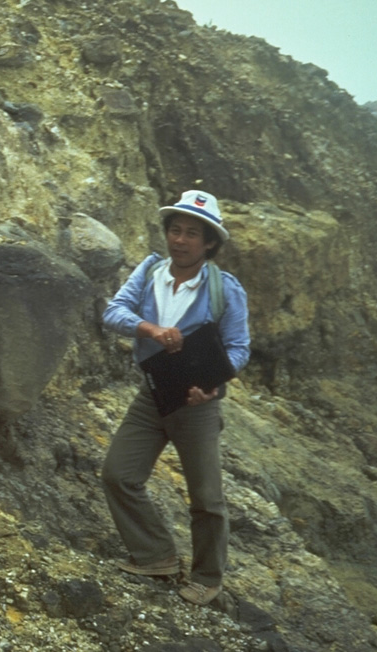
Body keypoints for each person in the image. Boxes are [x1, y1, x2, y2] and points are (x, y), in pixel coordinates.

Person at [100, 190, 250, 606]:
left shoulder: (226, 290)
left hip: (197, 404)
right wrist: (149, 329)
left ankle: (207, 576)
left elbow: (239, 348)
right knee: (118, 474)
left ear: (209, 244)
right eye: (175, 230)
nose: (180, 240)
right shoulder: (149, 271)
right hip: (151, 397)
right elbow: (113, 312)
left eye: (192, 234)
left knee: (206, 497)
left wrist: (214, 386)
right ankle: (156, 556)